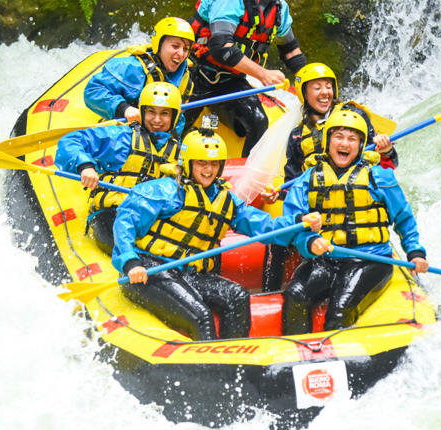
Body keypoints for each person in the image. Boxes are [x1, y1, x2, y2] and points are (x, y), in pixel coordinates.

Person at [111, 118, 322, 341]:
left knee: (237, 295)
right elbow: (125, 222)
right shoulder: (164, 190)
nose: (208, 170)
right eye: (201, 163)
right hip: (151, 269)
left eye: (214, 164)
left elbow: (265, 226)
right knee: (201, 316)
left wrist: (298, 221)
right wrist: (130, 262)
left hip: (190, 274)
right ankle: (211, 368)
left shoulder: (226, 201)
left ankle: (237, 360)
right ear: (188, 163)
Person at [280, 110, 429, 335]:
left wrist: (415, 253)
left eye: (352, 139)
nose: (345, 144)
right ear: (327, 141)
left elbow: (403, 218)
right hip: (325, 258)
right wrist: (308, 241)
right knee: (295, 296)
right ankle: (295, 356)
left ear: (361, 145)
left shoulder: (378, 177)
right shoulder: (307, 178)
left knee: (339, 310)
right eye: (338, 137)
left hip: (369, 259)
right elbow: (291, 222)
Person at [258, 62, 399, 292]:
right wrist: (278, 194)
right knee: (277, 239)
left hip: (353, 202)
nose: (325, 92)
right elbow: (293, 183)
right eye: (317, 87)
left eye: (328, 86)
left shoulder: (355, 117)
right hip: (317, 207)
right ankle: (269, 293)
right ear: (303, 93)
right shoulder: (297, 137)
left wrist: (385, 150)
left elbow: (388, 166)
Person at [56, 82, 184, 254]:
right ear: (143, 112)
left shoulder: (180, 152)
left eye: (164, 114)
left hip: (149, 218)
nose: (157, 120)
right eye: (151, 111)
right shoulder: (122, 138)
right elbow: (71, 141)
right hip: (112, 215)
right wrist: (85, 166)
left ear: (174, 117)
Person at [184, 0, 308, 157]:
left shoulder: (279, 8)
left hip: (231, 80)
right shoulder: (230, 2)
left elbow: (290, 50)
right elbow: (221, 47)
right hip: (195, 72)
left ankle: (245, 176)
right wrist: (263, 74)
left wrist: (308, 84)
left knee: (258, 122)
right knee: (177, 122)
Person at [83, 17, 194, 136]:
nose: (181, 54)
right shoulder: (132, 68)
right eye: (175, 46)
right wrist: (123, 108)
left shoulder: (185, 79)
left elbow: (178, 119)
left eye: (186, 49)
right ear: (159, 45)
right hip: (122, 135)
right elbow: (93, 91)